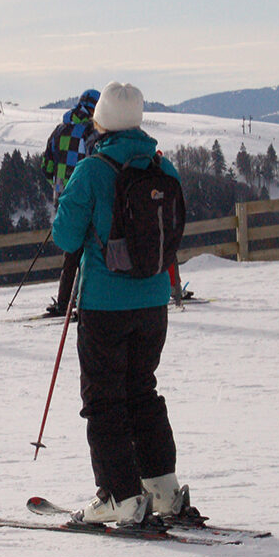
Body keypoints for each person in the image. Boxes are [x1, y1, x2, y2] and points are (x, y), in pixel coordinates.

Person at [52, 81, 193, 526]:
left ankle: (120, 496)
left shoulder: (93, 169)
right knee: (142, 391)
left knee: (104, 400)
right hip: (154, 301)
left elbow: (66, 237)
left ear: (102, 121)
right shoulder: (162, 167)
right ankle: (163, 488)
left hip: (105, 306)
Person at [41, 88, 100, 316]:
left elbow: (46, 166)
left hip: (63, 198)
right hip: (87, 197)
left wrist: (59, 187)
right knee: (92, 248)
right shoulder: (91, 132)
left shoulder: (59, 131)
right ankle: (85, 301)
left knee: (71, 250)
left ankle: (64, 300)